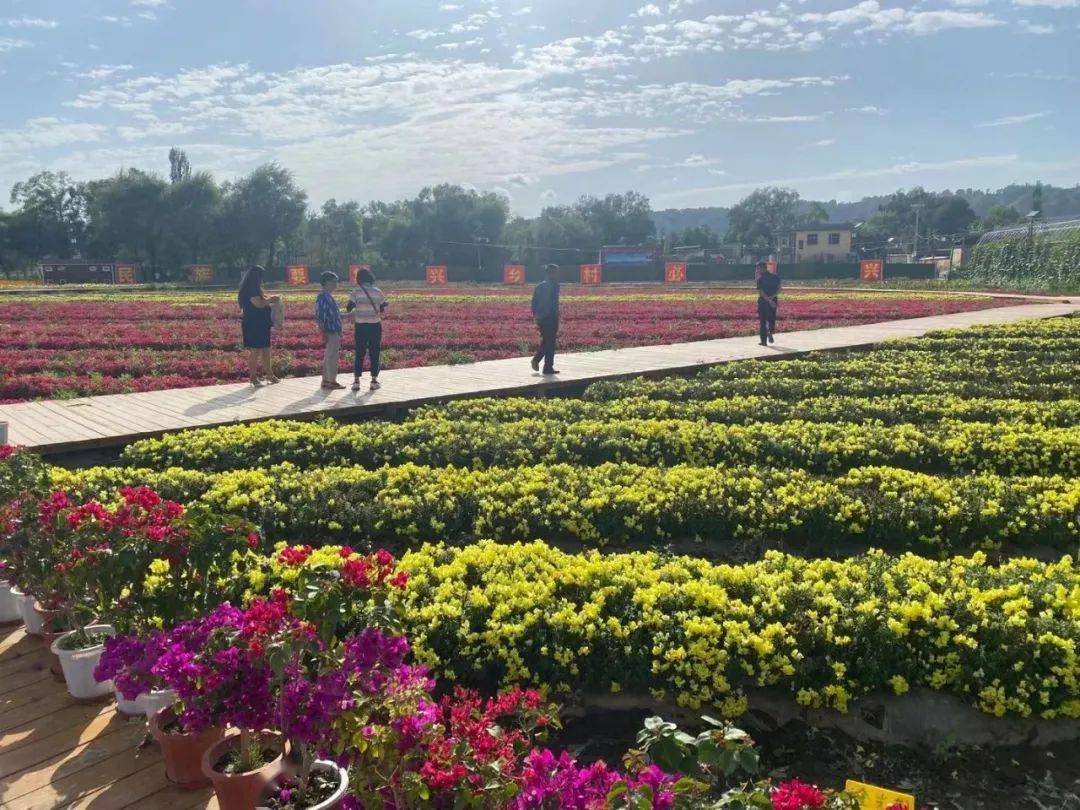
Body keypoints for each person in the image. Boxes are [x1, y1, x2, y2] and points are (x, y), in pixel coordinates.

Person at [346, 268, 388, 391]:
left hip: (361, 326)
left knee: (360, 352)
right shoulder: (378, 291)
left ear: (359, 279)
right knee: (375, 352)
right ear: (370, 277)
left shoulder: (355, 292)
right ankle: (374, 381)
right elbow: (382, 309)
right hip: (375, 326)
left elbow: (349, 308)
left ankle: (356, 381)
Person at [238, 265, 281, 385]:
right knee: (255, 351)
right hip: (254, 324)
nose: (262, 280)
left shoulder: (254, 289)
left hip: (261, 324)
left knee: (266, 350)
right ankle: (253, 377)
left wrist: (269, 300)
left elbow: (261, 301)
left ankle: (270, 375)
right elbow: (258, 304)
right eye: (261, 277)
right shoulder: (250, 289)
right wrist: (271, 300)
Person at [315, 271, 345, 390]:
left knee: (330, 356)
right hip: (330, 331)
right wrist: (323, 333)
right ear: (326, 282)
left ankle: (326, 381)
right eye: (333, 282)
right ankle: (331, 381)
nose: (335, 284)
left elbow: (335, 315)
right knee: (332, 357)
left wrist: (349, 315)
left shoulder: (327, 296)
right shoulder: (323, 297)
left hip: (333, 331)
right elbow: (320, 317)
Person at [530, 263, 561, 375]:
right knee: (550, 343)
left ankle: (541, 363)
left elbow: (533, 303)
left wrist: (536, 315)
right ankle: (546, 366)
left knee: (547, 341)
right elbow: (553, 304)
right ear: (550, 273)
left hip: (544, 318)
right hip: (550, 318)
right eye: (555, 272)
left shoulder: (540, 286)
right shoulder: (554, 286)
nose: (557, 275)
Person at [755, 261, 781, 346]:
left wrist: (768, 300)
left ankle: (763, 341)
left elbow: (761, 292)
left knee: (763, 321)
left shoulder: (760, 279)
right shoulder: (775, 277)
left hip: (763, 302)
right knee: (771, 318)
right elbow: (779, 289)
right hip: (773, 301)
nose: (757, 270)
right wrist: (772, 298)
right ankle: (770, 332)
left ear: (762, 268)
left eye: (758, 268)